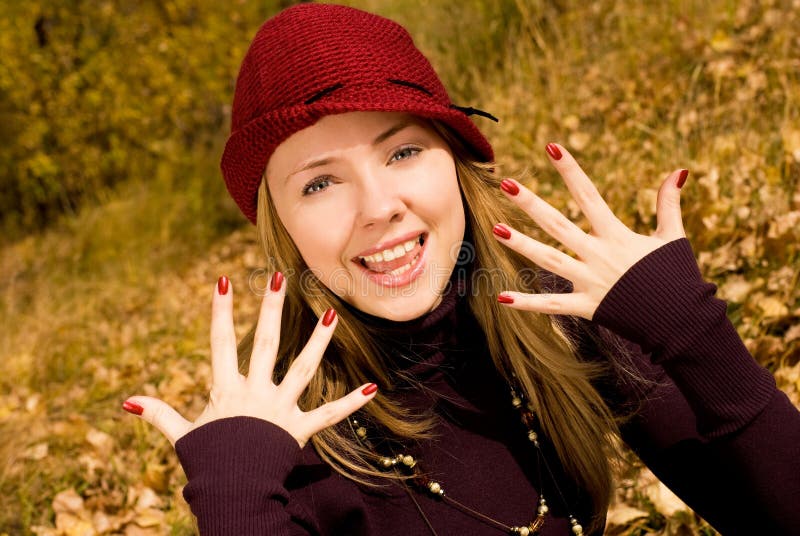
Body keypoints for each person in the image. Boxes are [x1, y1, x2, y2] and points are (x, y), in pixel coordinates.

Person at [121, 4, 800, 535]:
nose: (380, 208)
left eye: (402, 152)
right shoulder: (281, 443)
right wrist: (239, 507)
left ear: (455, 160)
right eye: (319, 184)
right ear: (282, 227)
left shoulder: (556, 319)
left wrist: (700, 340)